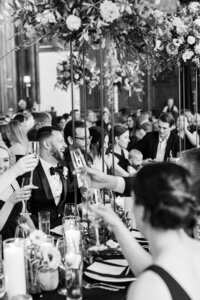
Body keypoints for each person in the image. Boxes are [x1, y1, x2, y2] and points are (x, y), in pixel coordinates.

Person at [92, 163, 200, 300]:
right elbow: (159, 271)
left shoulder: (147, 289)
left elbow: (156, 277)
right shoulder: (194, 251)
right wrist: (117, 225)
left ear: (142, 210)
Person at [29, 126, 67, 228]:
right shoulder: (30, 171)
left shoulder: (65, 167)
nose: (65, 145)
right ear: (46, 144)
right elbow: (25, 212)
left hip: (63, 229)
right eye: (60, 141)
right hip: (39, 233)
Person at [0, 144, 36, 240]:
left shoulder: (13, 182)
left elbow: (23, 216)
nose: (1, 166)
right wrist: (11, 201)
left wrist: (36, 234)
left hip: (18, 242)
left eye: (5, 160)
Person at [64, 120, 93, 203]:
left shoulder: (88, 157)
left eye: (89, 138)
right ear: (70, 140)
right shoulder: (62, 162)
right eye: (83, 138)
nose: (88, 142)